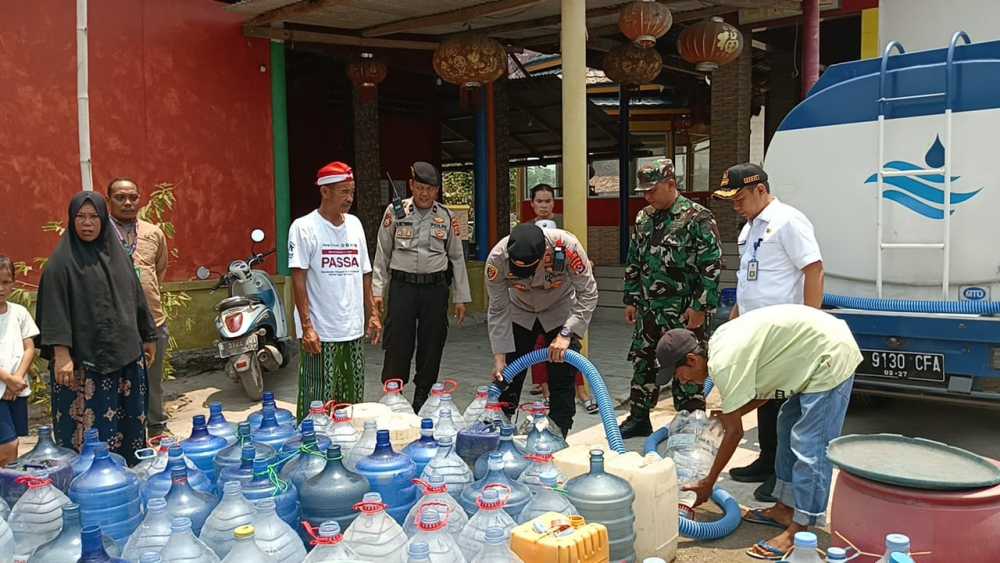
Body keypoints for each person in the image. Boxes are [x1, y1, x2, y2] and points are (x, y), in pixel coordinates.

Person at [656, 304, 860, 560]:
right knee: (787, 424)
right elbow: (764, 392)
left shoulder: (724, 365)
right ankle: (785, 508)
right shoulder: (719, 346)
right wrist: (732, 415)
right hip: (812, 351)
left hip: (829, 353)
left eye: (679, 374)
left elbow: (734, 434)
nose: (682, 381)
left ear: (693, 360)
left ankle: (801, 531)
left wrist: (709, 482)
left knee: (811, 443)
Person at [713, 162, 825, 502]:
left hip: (785, 331)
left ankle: (782, 473)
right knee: (765, 397)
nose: (736, 205)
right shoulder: (750, 228)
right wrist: (735, 316)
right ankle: (765, 459)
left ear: (761, 189)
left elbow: (814, 269)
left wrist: (811, 322)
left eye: (740, 198)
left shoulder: (788, 221)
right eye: (731, 200)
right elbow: (750, 279)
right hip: (755, 329)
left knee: (784, 404)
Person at [36, 192, 157, 465]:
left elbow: (136, 295)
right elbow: (54, 309)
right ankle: (87, 488)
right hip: (82, 365)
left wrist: (148, 335)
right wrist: (61, 354)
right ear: (71, 220)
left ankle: (130, 477)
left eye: (93, 217)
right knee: (85, 437)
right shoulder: (61, 262)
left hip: (126, 356)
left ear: (103, 220)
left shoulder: (118, 256)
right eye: (80, 217)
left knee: (129, 430)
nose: (87, 223)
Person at [620, 159, 723, 438]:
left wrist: (701, 307)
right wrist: (631, 298)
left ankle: (690, 422)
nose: (647, 196)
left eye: (652, 190)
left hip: (685, 310)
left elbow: (711, 266)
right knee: (643, 361)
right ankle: (639, 416)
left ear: (671, 184)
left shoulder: (697, 217)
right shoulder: (644, 218)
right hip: (649, 309)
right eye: (644, 192)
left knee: (686, 365)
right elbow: (634, 260)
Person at [372, 162, 471, 412]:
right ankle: (394, 394)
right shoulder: (395, 212)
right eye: (420, 187)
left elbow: (457, 258)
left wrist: (461, 297)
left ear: (437, 191)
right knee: (398, 342)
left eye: (430, 189)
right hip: (402, 287)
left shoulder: (447, 216)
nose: (424, 194)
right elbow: (382, 255)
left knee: (432, 342)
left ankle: (423, 396)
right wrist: (377, 291)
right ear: (411, 185)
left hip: (435, 289)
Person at [485, 223, 599, 436]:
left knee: (562, 377)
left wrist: (567, 334)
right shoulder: (497, 259)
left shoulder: (567, 246)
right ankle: (501, 431)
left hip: (560, 311)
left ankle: (559, 433)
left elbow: (588, 293)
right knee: (508, 377)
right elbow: (498, 308)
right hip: (520, 312)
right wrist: (499, 357)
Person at [289, 161, 379, 420]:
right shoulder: (303, 228)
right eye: (343, 192)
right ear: (324, 192)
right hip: (321, 333)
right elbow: (298, 279)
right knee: (316, 402)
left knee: (351, 405)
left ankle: (346, 452)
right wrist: (306, 327)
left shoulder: (355, 225)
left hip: (352, 330)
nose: (349, 198)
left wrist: (372, 313)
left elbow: (365, 274)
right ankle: (312, 451)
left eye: (352, 192)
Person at [106, 178, 171, 436]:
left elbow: (159, 271)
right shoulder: (101, 234)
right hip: (116, 324)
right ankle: (123, 434)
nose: (128, 202)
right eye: (120, 197)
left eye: (133, 197)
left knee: (153, 380)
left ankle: (157, 429)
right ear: (108, 200)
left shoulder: (153, 233)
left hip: (153, 321)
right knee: (118, 382)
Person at [0, 256, 37, 464]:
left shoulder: (19, 313)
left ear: (13, 283)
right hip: (6, 385)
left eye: (5, 282)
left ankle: (8, 487)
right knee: (7, 444)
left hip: (17, 388)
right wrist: (8, 379)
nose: (1, 288)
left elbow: (29, 347)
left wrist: (17, 379)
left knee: (14, 443)